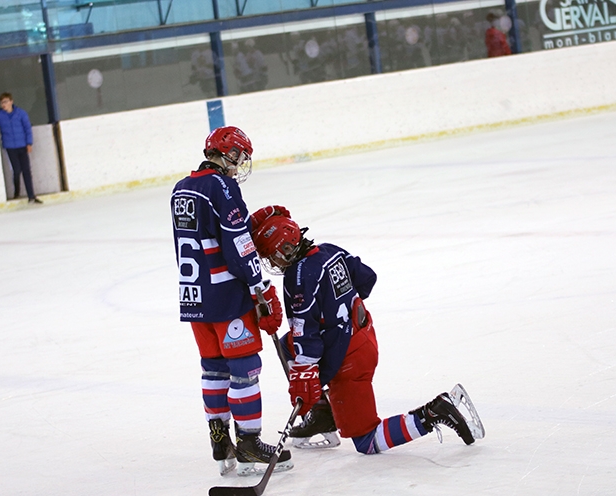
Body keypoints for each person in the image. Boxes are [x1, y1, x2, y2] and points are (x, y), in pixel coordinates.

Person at [249, 208, 484, 455]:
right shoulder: (330, 251)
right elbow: (366, 278)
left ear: (286, 248)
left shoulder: (297, 278)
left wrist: (305, 371)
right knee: (286, 345)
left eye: (272, 256)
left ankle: (433, 412)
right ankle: (322, 414)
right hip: (362, 336)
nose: (271, 263)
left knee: (367, 441)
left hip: (347, 360)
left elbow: (304, 330)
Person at [169, 126, 292, 477]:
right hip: (226, 297)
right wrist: (261, 287)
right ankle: (250, 444)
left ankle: (220, 442)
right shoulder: (222, 187)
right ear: (228, 154)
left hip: (195, 297)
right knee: (244, 368)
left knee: (213, 369)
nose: (240, 164)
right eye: (239, 156)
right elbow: (238, 245)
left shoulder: (181, 188)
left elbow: (204, 237)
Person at [0, 92, 42, 204]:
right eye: (2, 103)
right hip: (10, 147)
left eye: (5, 102)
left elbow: (27, 128)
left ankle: (31, 196)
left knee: (26, 170)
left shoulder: (21, 113)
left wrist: (29, 143)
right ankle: (17, 191)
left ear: (11, 102)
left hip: (22, 145)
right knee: (16, 170)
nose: (3, 104)